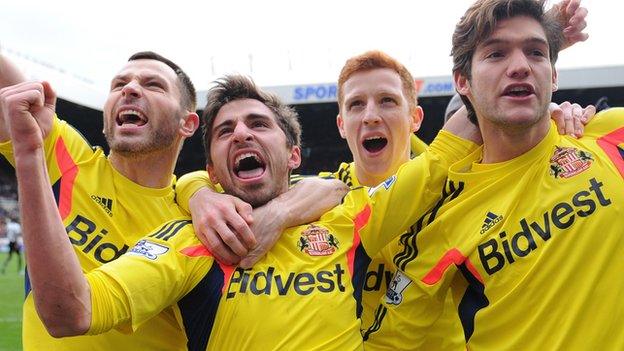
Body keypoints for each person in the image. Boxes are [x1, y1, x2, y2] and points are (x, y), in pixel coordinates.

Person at [5, 72, 482, 349]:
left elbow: (446, 151)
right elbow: (71, 313)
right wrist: (29, 161)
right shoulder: (190, 239)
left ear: (294, 156)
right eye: (225, 130)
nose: (242, 134)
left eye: (259, 124)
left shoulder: (348, 212)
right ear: (211, 170)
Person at [0, 52, 339, 350]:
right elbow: (23, 95)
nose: (130, 89)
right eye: (118, 84)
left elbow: (330, 188)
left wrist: (273, 210)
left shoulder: (202, 220)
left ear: (188, 123)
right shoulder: (68, 160)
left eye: (153, 85)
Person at [360, 0, 624, 349]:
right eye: (496, 54)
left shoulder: (609, 135)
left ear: (554, 75)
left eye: (536, 52)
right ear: (462, 82)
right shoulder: (444, 222)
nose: (520, 67)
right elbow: (388, 342)